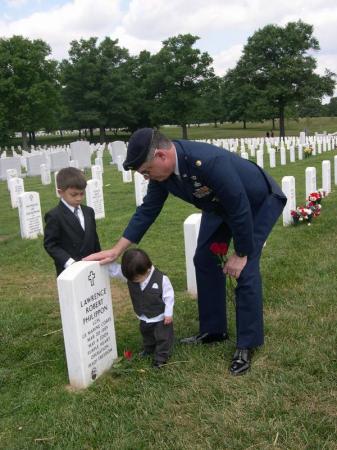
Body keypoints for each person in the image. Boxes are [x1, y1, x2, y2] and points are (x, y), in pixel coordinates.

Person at [84, 128, 286, 375]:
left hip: (257, 202)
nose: (147, 177)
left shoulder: (208, 162)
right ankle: (214, 331)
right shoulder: (163, 176)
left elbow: (239, 207)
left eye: (146, 171)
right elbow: (148, 210)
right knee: (204, 258)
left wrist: (241, 253)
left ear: (161, 156)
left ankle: (247, 344)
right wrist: (117, 250)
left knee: (246, 269)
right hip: (220, 205)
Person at [121, 248, 174, 369]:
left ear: (148, 269)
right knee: (146, 334)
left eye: (137, 279)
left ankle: (161, 357)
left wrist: (168, 313)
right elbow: (114, 270)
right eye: (132, 279)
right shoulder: (132, 273)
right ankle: (149, 349)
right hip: (144, 316)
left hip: (160, 317)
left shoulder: (162, 280)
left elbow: (169, 297)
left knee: (163, 337)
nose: (135, 281)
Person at [44, 167, 101, 276]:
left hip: (91, 265)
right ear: (60, 192)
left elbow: (94, 238)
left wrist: (99, 257)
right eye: (74, 194)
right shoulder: (55, 216)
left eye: (82, 193)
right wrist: (69, 262)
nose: (79, 198)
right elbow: (51, 244)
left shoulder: (88, 211)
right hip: (69, 270)